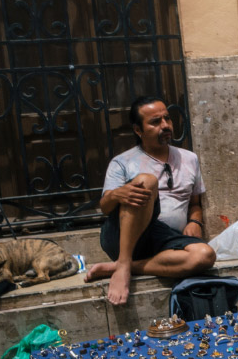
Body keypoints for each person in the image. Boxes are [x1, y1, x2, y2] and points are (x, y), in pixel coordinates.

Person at [86, 97, 217, 305]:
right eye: (155, 122)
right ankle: (124, 260)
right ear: (138, 130)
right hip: (125, 237)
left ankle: (123, 265)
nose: (165, 125)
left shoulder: (189, 158)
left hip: (165, 240)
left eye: (167, 119)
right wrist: (117, 194)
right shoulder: (122, 162)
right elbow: (104, 207)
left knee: (205, 256)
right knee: (146, 181)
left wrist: (195, 222)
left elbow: (194, 204)